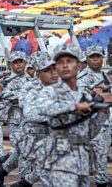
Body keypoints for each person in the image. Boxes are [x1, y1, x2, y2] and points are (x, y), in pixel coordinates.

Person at [38, 44, 110, 187]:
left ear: (78, 66)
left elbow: (90, 132)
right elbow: (44, 109)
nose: (65, 66)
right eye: (60, 62)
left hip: (81, 161)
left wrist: (102, 112)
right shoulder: (50, 92)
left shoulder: (84, 96)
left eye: (69, 61)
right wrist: (73, 106)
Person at [0, 51, 30, 187]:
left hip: (30, 119)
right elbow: (2, 94)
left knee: (24, 150)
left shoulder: (30, 79)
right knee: (24, 150)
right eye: (15, 62)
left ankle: (1, 171)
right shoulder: (6, 79)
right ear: (10, 64)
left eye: (21, 62)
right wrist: (20, 97)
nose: (19, 65)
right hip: (16, 119)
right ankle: (25, 181)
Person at [20, 52, 58, 187]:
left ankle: (24, 182)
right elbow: (29, 113)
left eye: (54, 68)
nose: (53, 72)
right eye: (47, 70)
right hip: (37, 136)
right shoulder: (32, 90)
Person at [78, 45, 111, 187]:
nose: (96, 59)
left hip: (105, 121)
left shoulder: (106, 76)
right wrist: (94, 93)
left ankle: (100, 179)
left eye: (98, 56)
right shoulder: (82, 76)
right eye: (92, 57)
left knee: (101, 154)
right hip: (89, 121)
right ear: (87, 59)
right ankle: (100, 181)